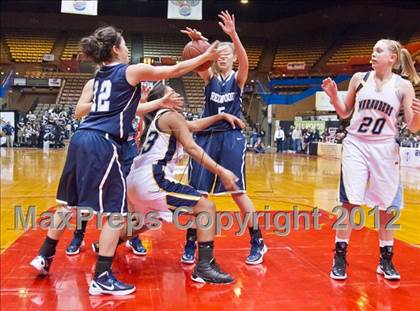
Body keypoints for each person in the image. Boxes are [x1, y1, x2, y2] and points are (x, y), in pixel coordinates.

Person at [29, 25, 227, 296]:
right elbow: (172, 70)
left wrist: (158, 103)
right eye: (123, 45)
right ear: (116, 49)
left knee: (69, 204)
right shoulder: (129, 71)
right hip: (104, 143)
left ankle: (45, 255)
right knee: (115, 214)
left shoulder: (99, 79)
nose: (125, 49)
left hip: (80, 140)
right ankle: (102, 275)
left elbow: (127, 109)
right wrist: (206, 55)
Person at [125, 82, 244, 284]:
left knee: (145, 223)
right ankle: (204, 267)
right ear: (162, 100)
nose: (178, 95)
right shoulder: (171, 116)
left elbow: (195, 126)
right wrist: (222, 171)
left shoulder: (158, 119)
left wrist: (221, 116)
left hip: (135, 181)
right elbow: (192, 148)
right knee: (206, 207)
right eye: (172, 93)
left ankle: (104, 248)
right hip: (153, 179)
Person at [321, 39, 420, 281]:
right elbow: (345, 113)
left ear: (392, 58)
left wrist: (418, 115)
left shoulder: (404, 86)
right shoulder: (359, 79)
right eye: (373, 50)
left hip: (385, 148)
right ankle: (340, 256)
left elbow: (414, 127)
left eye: (378, 51)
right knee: (349, 202)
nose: (372, 54)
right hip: (356, 144)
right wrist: (334, 97)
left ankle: (386, 260)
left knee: (388, 207)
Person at [181, 11, 267, 265]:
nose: (223, 58)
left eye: (227, 55)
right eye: (220, 55)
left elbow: (245, 61)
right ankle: (191, 242)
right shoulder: (209, 78)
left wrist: (232, 35)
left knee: (237, 191)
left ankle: (258, 242)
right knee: (198, 195)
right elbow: (198, 63)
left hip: (231, 137)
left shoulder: (237, 80)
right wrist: (200, 45)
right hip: (206, 137)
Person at [65, 80, 183, 256]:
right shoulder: (98, 85)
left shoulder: (132, 88)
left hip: (127, 146)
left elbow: (145, 121)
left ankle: (131, 237)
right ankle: (78, 235)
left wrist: (142, 101)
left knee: (128, 195)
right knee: (90, 192)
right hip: (104, 142)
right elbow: (79, 112)